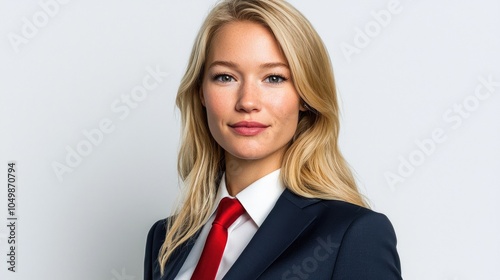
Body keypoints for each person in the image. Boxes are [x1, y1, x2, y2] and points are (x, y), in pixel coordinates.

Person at [144, 0, 402, 279]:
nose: (247, 102)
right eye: (226, 77)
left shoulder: (353, 235)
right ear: (201, 94)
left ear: (305, 96)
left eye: (274, 78)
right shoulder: (166, 239)